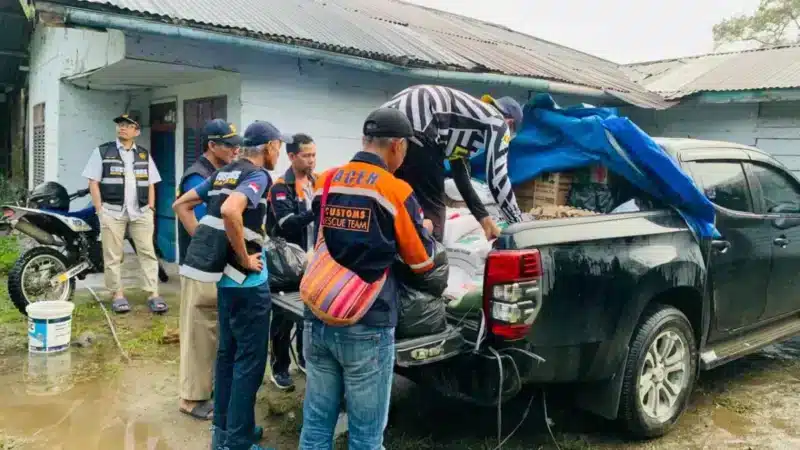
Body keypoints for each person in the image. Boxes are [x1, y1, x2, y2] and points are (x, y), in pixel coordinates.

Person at [299, 108, 435, 450]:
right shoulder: (395, 190)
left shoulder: (326, 180)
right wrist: (426, 231)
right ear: (398, 146)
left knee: (316, 425)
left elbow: (327, 234)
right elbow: (422, 262)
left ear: (365, 140)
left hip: (318, 312)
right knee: (366, 437)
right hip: (367, 323)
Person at [174, 120, 291, 450]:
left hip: (224, 282)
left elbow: (181, 205)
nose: (278, 153)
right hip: (247, 284)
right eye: (279, 147)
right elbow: (230, 210)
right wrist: (242, 256)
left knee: (227, 357)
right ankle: (238, 442)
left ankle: (224, 435)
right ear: (269, 147)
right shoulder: (258, 176)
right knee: (249, 363)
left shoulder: (224, 173)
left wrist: (207, 242)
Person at [381, 85, 525, 241]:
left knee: (392, 204)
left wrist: (485, 220)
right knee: (432, 216)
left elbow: (461, 176)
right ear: (510, 123)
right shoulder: (498, 122)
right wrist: (519, 226)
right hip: (421, 120)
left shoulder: (465, 121)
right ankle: (427, 262)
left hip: (386, 117)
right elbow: (497, 179)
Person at [177, 119, 242, 421]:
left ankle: (205, 390)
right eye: (228, 144)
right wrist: (206, 245)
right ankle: (191, 399)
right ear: (211, 146)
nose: (234, 149)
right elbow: (188, 212)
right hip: (201, 269)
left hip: (213, 269)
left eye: (236, 144)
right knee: (198, 335)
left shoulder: (221, 174)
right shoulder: (197, 176)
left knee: (212, 333)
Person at [82, 111, 165, 314]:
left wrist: (152, 208)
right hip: (112, 212)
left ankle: (153, 293)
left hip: (141, 212)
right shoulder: (102, 152)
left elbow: (152, 183)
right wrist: (100, 210)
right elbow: (93, 182)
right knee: (113, 255)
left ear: (136, 131)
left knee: (148, 252)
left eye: (127, 125)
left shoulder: (143, 154)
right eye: (120, 124)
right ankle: (117, 295)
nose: (122, 127)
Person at [264, 133, 316, 390]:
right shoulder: (280, 187)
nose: (311, 160)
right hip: (285, 264)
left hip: (311, 261)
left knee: (308, 313)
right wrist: (316, 210)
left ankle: (304, 358)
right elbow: (286, 224)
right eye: (306, 155)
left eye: (314, 155)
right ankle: (280, 367)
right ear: (292, 156)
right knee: (283, 317)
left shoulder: (314, 183)